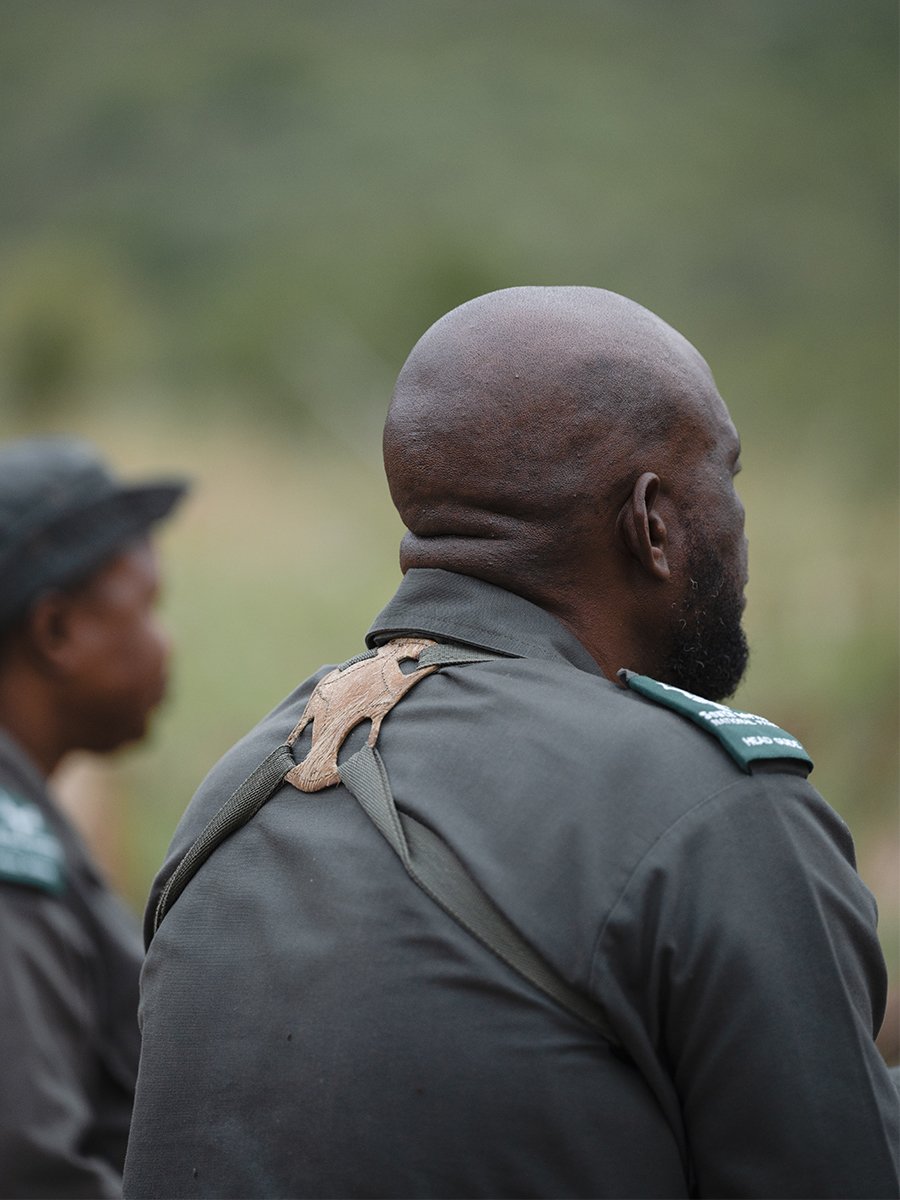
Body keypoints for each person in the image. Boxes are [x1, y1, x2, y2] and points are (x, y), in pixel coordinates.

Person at [124, 287, 899, 1199]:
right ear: (653, 522)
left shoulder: (241, 790)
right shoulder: (709, 808)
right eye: (726, 474)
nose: (738, 517)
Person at [0, 436, 188, 1199]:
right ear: (57, 633)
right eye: (147, 608)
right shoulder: (12, 873)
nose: (166, 645)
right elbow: (29, 1170)